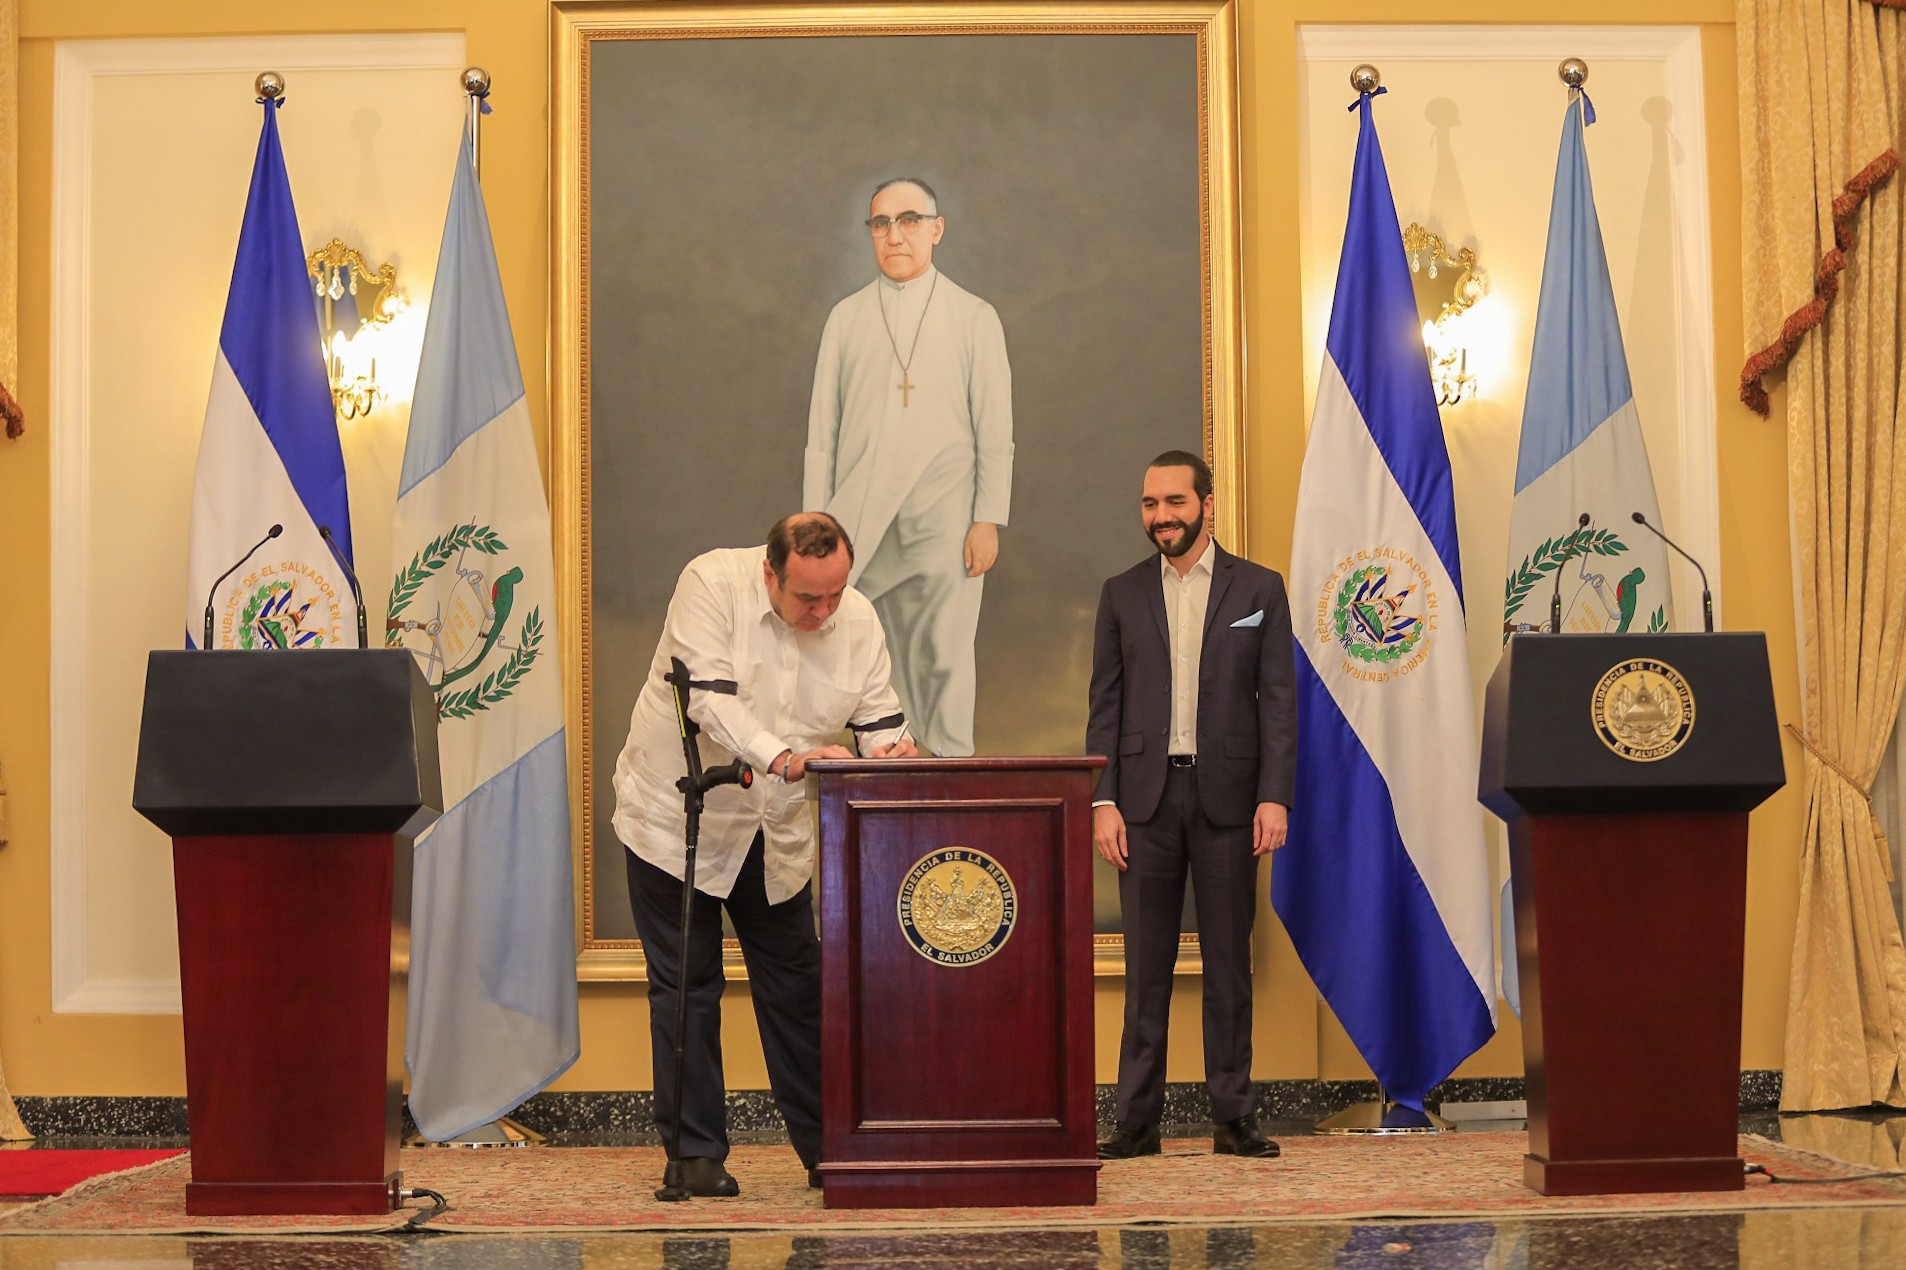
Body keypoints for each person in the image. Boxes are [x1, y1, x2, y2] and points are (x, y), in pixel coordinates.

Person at [611, 512, 917, 1197]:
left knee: (798, 988)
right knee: (687, 986)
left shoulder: (857, 619)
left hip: (774, 830)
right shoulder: (710, 584)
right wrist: (785, 758)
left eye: (836, 593)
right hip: (679, 819)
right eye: (809, 598)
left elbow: (879, 720)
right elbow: (710, 704)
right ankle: (694, 1155)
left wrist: (893, 751)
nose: (825, 611)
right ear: (770, 573)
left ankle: (831, 1148)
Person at [1086, 450, 1297, 1161]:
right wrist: (1103, 799)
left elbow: (1279, 705)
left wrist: (1274, 796)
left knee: (1229, 967)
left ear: (1207, 503)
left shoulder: (1260, 588)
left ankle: (1233, 1118)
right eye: (1150, 504)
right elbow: (1104, 705)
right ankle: (1136, 1122)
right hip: (1142, 805)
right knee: (1145, 971)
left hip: (1230, 802)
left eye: (1174, 502)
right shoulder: (1120, 593)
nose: (1161, 516)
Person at [804, 176, 1013, 758]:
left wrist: (988, 518)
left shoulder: (974, 317)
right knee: (867, 652)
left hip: (946, 516)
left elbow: (994, 428)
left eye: (909, 220)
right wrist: (815, 527)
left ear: (936, 229)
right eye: (881, 223)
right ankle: (884, 773)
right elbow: (822, 435)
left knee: (945, 652)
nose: (895, 235)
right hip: (859, 520)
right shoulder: (845, 319)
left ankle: (949, 770)